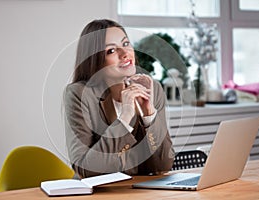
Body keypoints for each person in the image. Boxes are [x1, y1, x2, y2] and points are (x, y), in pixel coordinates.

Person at [63, 19, 175, 178]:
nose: (125, 54)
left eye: (126, 43)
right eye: (111, 50)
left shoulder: (151, 89)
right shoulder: (79, 94)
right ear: (95, 61)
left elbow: (163, 164)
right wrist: (124, 118)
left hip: (140, 192)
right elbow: (84, 168)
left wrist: (149, 115)